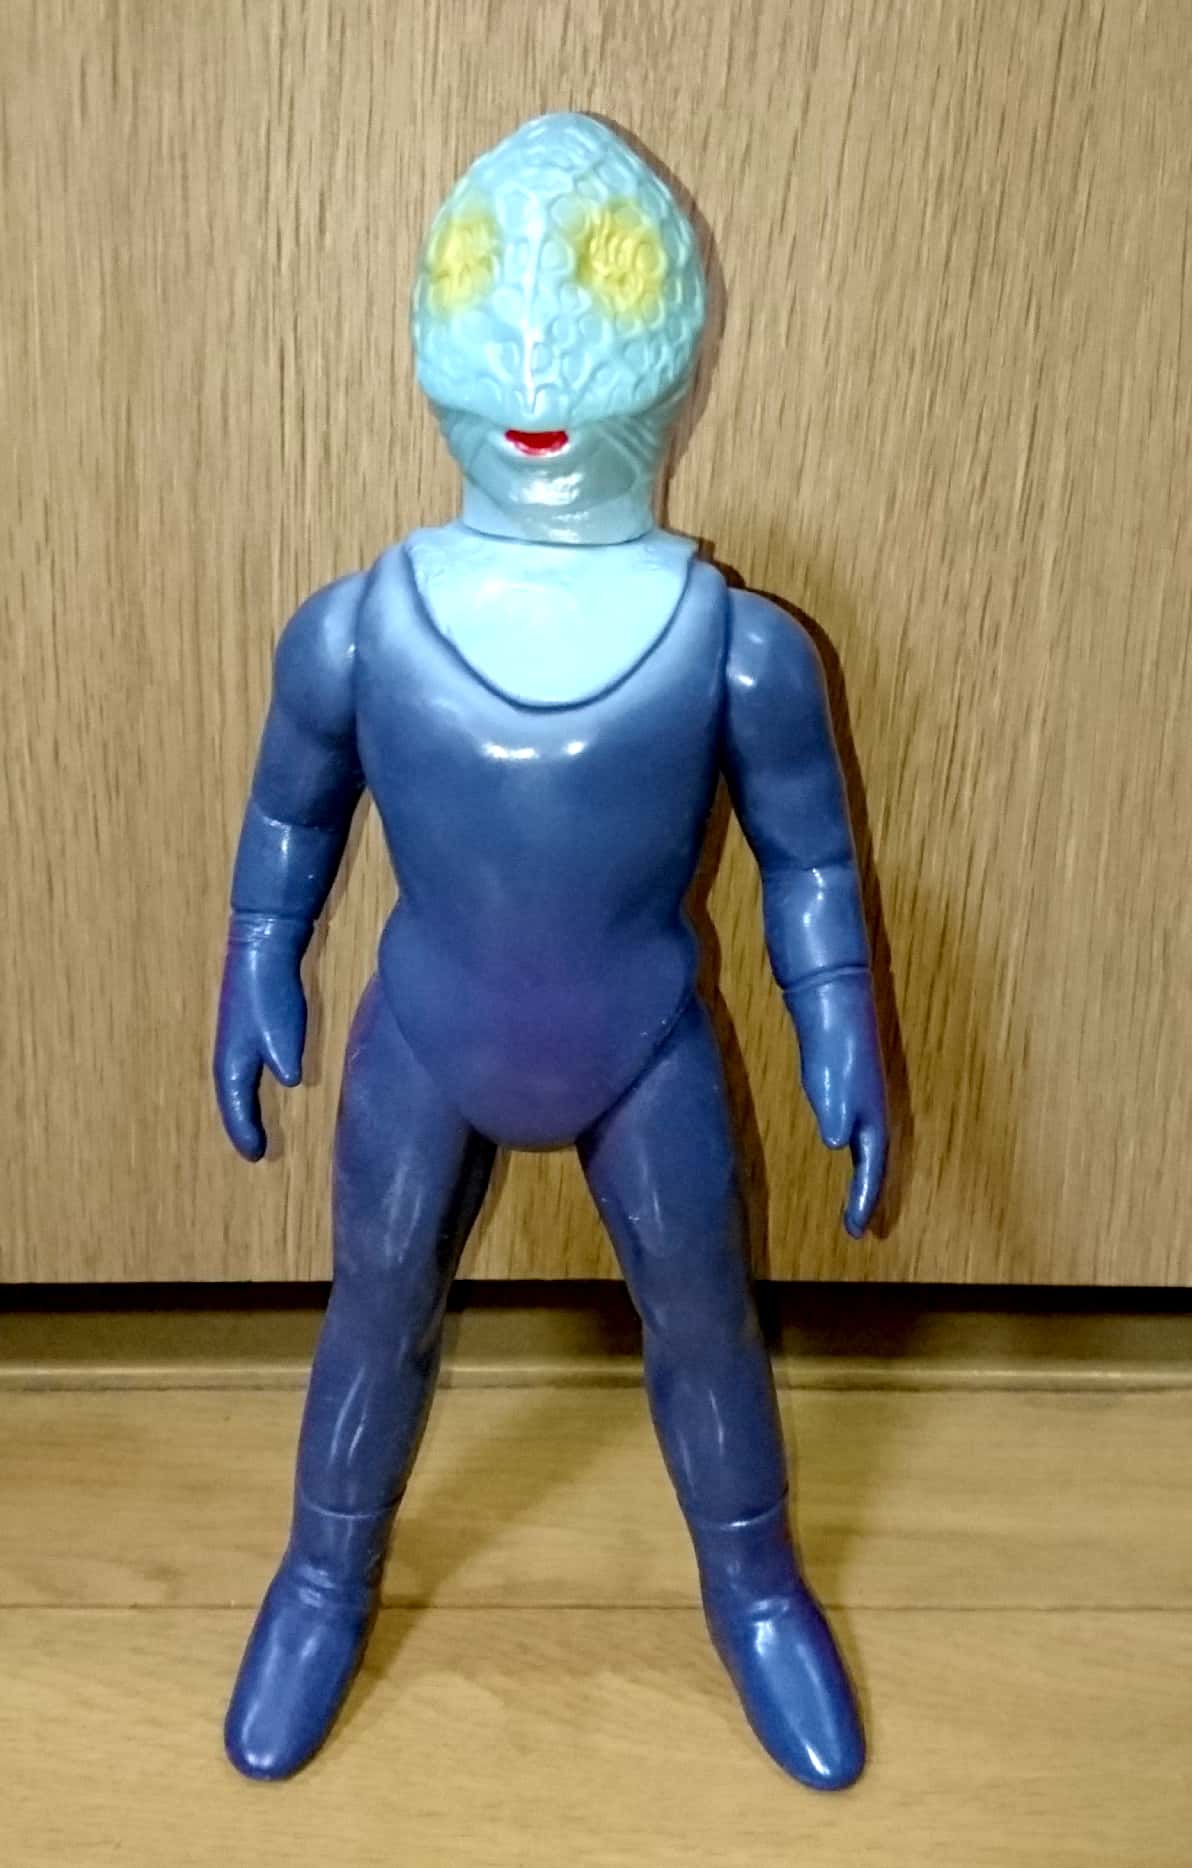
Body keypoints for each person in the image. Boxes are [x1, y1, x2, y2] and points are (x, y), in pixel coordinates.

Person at [214, 112, 888, 1788]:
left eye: (596, 292)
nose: (539, 384)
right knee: (377, 1301)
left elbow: (810, 855)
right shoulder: (356, 629)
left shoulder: (740, 649)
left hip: (641, 1037)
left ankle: (754, 1583)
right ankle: (324, 1575)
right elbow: (292, 817)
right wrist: (256, 956)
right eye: (492, 294)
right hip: (428, 1030)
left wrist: (840, 1018)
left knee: (705, 1318)